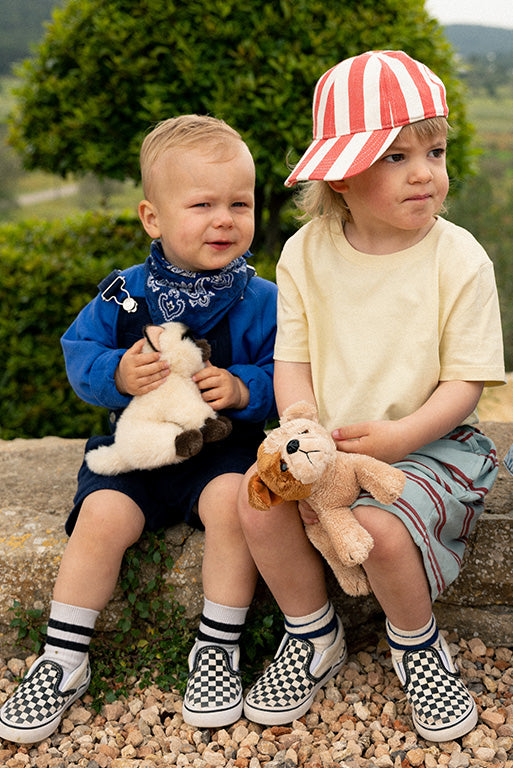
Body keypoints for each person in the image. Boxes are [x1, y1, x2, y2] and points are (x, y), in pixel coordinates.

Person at [238, 50, 505, 742]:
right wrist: (297, 427)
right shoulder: (304, 252)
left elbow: (463, 385)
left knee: (382, 532)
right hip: (326, 444)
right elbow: (290, 359)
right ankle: (311, 633)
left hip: (432, 441)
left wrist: (400, 437)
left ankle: (417, 646)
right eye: (394, 156)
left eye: (435, 150)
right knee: (259, 504)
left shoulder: (458, 257)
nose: (424, 171)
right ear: (341, 175)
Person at [0, 115, 277, 743]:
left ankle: (216, 648)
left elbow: (284, 372)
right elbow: (80, 355)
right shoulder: (124, 294)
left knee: (235, 507)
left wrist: (244, 389)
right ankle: (63, 658)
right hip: (135, 450)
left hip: (219, 451)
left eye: (240, 203)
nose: (224, 219)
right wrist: (118, 373)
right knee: (102, 518)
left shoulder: (264, 300)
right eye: (202, 204)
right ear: (152, 218)